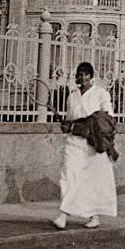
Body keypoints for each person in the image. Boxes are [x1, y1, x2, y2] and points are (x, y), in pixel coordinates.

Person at [52, 62, 117, 230]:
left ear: (91, 76)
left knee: (92, 180)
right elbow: (70, 119)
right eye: (79, 74)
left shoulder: (101, 94)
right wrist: (67, 125)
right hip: (74, 142)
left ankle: (92, 216)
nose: (82, 78)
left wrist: (90, 127)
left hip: (92, 143)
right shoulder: (72, 96)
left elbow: (108, 118)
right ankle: (63, 215)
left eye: (85, 74)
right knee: (68, 175)